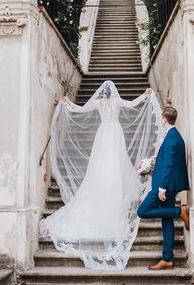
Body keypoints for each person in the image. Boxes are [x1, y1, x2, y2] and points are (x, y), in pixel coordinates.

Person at [39, 81, 163, 271]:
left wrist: (67, 103)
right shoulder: (118, 101)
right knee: (113, 164)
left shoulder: (99, 103)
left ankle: (106, 196)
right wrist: (146, 95)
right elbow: (133, 103)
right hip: (115, 133)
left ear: (101, 94)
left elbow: (80, 109)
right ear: (112, 92)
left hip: (104, 133)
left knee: (105, 165)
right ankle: (114, 198)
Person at [137, 105, 190, 270]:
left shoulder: (172, 137)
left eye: (161, 118)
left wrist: (161, 188)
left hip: (165, 187)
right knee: (167, 221)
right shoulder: (173, 135)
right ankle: (168, 258)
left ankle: (179, 212)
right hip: (166, 185)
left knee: (142, 211)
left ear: (164, 119)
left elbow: (168, 165)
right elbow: (166, 163)